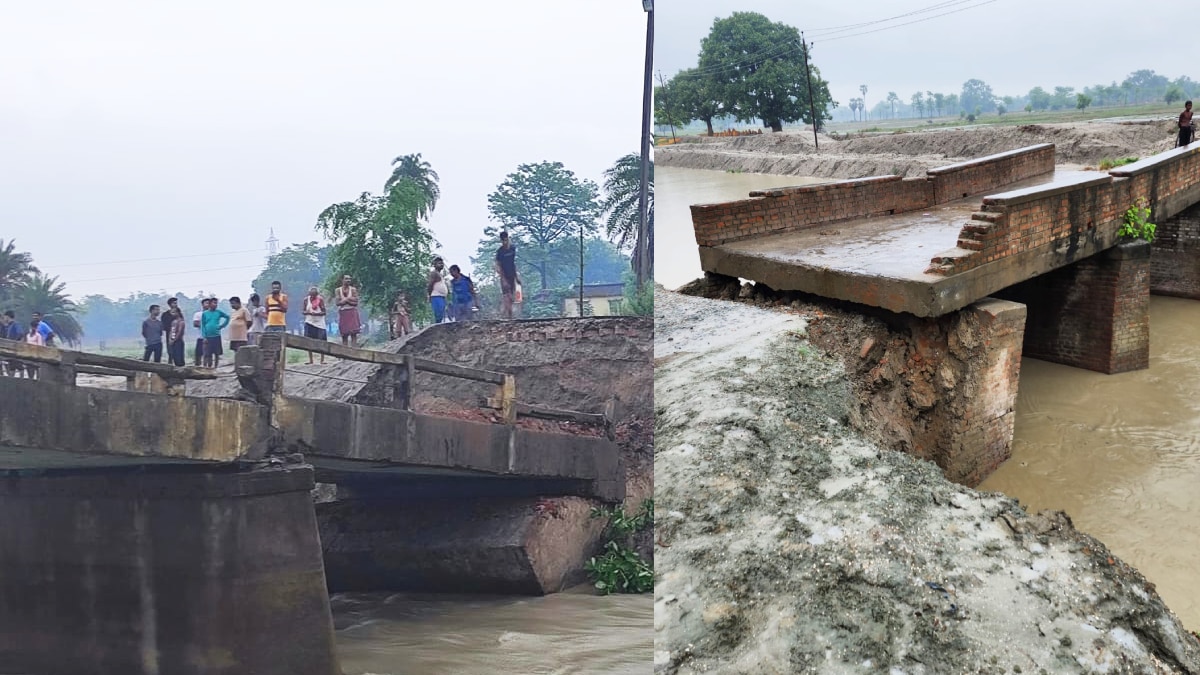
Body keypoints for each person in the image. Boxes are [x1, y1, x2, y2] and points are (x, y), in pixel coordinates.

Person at [494, 231, 520, 320]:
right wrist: (503, 279)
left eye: (506, 240)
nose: (505, 242)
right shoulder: (500, 252)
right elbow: (498, 266)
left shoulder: (512, 249)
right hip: (504, 275)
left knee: (511, 297)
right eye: (503, 241)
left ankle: (504, 312)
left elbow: (513, 263)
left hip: (512, 274)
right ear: (501, 241)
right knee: (507, 294)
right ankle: (509, 316)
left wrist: (517, 277)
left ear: (508, 239)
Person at [200, 296, 230, 369]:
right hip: (208, 336)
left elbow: (227, 317)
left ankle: (216, 367)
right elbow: (203, 325)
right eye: (214, 303)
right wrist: (204, 336)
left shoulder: (218, 312)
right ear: (209, 304)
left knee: (217, 353)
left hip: (216, 335)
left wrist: (222, 326)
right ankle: (208, 367)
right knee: (208, 353)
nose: (215, 305)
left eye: (216, 303)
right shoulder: (205, 313)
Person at [301, 286, 328, 364]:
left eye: (314, 295)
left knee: (321, 341)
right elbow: (303, 311)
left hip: (319, 323)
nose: (313, 296)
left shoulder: (320, 299)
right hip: (309, 322)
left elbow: (324, 312)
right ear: (309, 294)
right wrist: (309, 313)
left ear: (317, 294)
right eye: (311, 295)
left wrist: (317, 314)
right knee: (309, 341)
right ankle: (310, 360)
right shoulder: (306, 300)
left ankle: (322, 360)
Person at [334, 274, 361, 347]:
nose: (348, 280)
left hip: (352, 312)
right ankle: (345, 353)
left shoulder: (353, 289)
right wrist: (349, 300)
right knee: (344, 335)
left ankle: (354, 352)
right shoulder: (338, 290)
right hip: (343, 313)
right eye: (346, 279)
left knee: (354, 334)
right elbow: (337, 303)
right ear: (342, 280)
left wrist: (346, 300)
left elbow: (356, 302)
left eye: (349, 279)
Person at [2, 310, 24, 377]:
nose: (4, 318)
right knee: (11, 366)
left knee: (19, 366)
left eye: (5, 317)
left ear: (8, 317)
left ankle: (22, 381)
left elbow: (20, 334)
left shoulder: (15, 324)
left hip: (15, 349)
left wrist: (15, 343)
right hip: (10, 349)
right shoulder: (8, 326)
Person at [165, 300, 186, 367]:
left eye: (174, 312)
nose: (172, 314)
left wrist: (174, 340)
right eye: (172, 312)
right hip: (172, 340)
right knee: (174, 356)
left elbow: (180, 332)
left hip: (178, 341)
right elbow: (171, 331)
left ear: (177, 313)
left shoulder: (181, 322)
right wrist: (170, 340)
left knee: (179, 356)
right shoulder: (173, 321)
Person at [428, 257, 448, 324]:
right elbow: (430, 284)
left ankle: (438, 326)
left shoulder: (440, 274)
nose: (441, 265)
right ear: (435, 265)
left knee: (441, 313)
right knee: (438, 314)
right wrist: (429, 295)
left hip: (441, 296)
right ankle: (436, 327)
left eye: (442, 263)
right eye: (439, 263)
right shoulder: (434, 273)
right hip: (436, 296)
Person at [192, 300, 207, 366]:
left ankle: (207, 367)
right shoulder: (198, 314)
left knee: (209, 354)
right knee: (198, 353)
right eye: (206, 303)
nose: (208, 304)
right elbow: (195, 324)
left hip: (211, 336)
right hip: (201, 336)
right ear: (202, 304)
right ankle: (197, 366)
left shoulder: (212, 314)